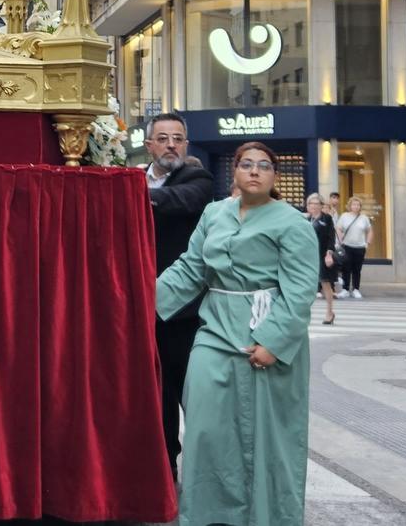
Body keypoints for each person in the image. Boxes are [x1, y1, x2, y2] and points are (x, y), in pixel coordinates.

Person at [155, 140, 318, 526]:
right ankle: (208, 515)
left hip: (266, 337)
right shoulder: (214, 214)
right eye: (247, 164)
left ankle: (269, 516)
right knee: (205, 430)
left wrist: (274, 343)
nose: (255, 171)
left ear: (274, 175)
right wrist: (140, 305)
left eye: (264, 165)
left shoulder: (292, 223)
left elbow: (299, 291)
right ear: (236, 172)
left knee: (268, 439)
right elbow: (190, 270)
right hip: (214, 331)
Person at [139, 111, 214, 480]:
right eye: (164, 138)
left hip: (182, 311)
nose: (171, 145)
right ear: (148, 144)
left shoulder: (196, 177)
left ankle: (209, 469)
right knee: (157, 393)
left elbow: (181, 200)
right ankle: (165, 465)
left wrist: (128, 194)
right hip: (140, 304)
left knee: (190, 390)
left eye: (178, 138)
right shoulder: (137, 177)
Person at [306, 193, 339, 326]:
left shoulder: (327, 218)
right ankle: (302, 313)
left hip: (322, 255)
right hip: (307, 256)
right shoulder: (306, 219)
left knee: (325, 284)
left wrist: (329, 254)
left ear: (321, 205)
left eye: (316, 204)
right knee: (306, 284)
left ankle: (329, 312)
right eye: (310, 204)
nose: (313, 206)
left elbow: (331, 237)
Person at [335, 195, 372, 299]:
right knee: (346, 268)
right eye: (354, 204)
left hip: (360, 247)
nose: (356, 206)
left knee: (357, 269)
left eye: (358, 205)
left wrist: (367, 243)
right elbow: (338, 228)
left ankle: (356, 289)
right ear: (350, 206)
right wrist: (340, 238)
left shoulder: (364, 218)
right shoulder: (344, 216)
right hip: (347, 246)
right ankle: (345, 289)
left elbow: (369, 231)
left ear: (360, 206)